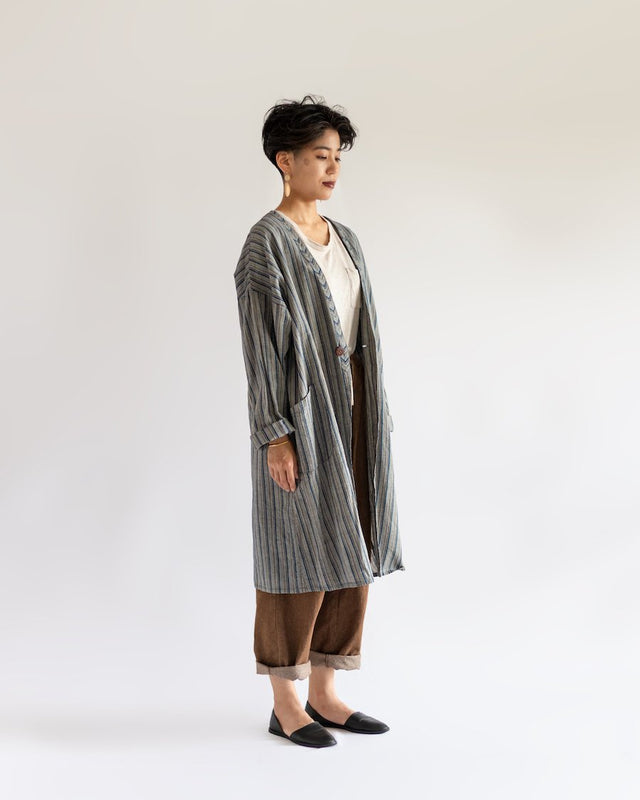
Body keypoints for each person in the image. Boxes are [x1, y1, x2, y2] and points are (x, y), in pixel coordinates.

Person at [234, 95, 405, 748]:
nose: (332, 169)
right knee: (294, 552)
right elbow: (261, 351)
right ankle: (286, 701)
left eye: (337, 157)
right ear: (285, 161)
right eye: (319, 156)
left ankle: (327, 691)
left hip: (357, 413)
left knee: (353, 545)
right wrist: (274, 434)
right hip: (302, 419)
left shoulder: (347, 239)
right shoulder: (266, 244)